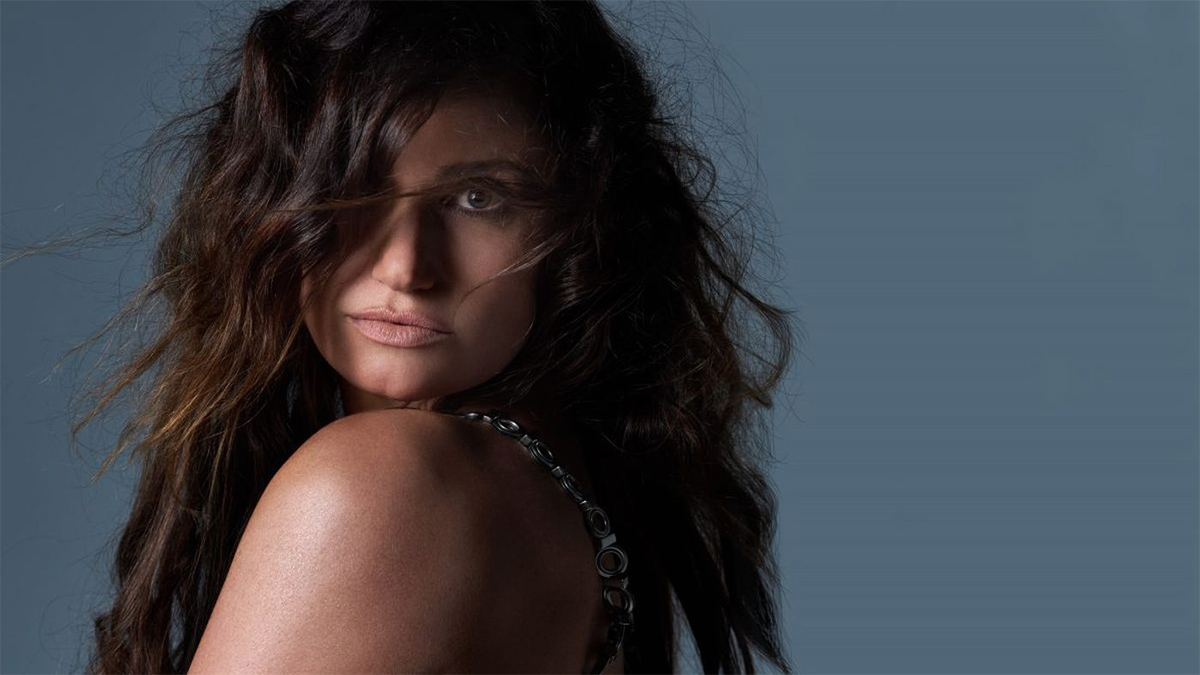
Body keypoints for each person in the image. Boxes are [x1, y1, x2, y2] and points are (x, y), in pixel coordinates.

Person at [65, 1, 798, 672]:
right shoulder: (554, 494)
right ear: (273, 209)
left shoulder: (384, 482)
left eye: (479, 199)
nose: (404, 265)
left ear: (581, 232)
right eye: (354, 185)